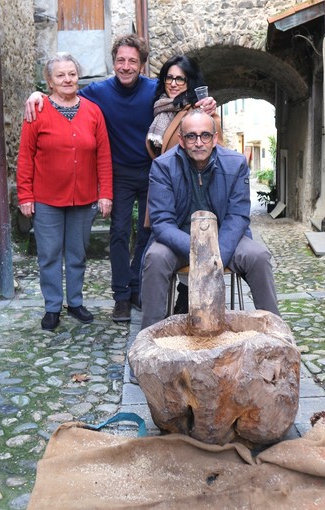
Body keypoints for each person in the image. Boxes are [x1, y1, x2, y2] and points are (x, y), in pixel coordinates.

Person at [24, 35, 217, 323]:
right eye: (121, 60)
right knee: (118, 233)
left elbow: (185, 100)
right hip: (119, 173)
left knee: (148, 233)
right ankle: (121, 296)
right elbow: (65, 96)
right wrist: (36, 95)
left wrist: (208, 101)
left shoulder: (156, 90)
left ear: (142, 65)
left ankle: (138, 289)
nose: (126, 66)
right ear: (113, 62)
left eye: (133, 61)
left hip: (155, 172)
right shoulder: (97, 92)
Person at [140, 109, 281, 330]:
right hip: (179, 239)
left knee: (258, 256)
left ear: (215, 138)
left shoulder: (235, 164)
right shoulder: (163, 166)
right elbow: (162, 222)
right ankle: (149, 338)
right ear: (181, 140)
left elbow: (238, 217)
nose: (198, 142)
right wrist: (199, 250)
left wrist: (216, 254)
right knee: (155, 258)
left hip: (225, 238)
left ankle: (275, 332)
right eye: (191, 136)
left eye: (205, 135)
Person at [17, 52, 113, 331]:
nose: (67, 79)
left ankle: (75, 302)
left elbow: (103, 156)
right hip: (46, 198)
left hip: (83, 198)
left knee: (77, 253)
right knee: (48, 254)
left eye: (71, 73)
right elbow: (25, 156)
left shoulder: (93, 111)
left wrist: (105, 193)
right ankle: (52, 307)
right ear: (49, 81)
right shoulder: (37, 110)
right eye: (60, 75)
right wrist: (25, 195)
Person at [145, 55, 224, 313]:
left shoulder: (199, 111)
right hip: (165, 190)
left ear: (190, 82)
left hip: (195, 191)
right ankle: (163, 310)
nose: (174, 83)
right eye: (169, 77)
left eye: (181, 78)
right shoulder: (162, 108)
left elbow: (217, 150)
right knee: (152, 252)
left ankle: (185, 302)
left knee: (168, 250)